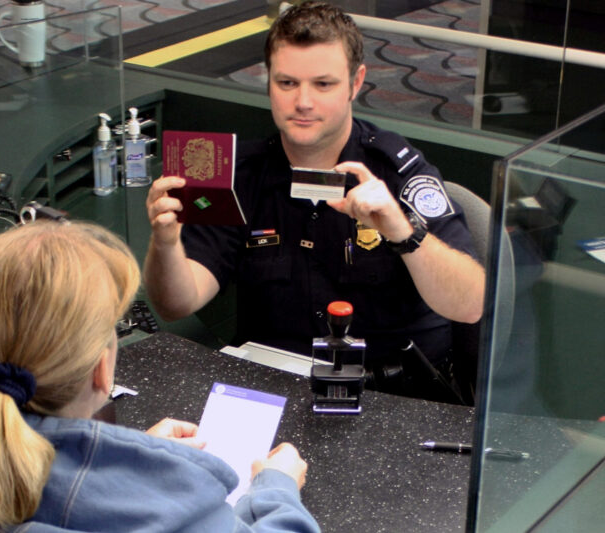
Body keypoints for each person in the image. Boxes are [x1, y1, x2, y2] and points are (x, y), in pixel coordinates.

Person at [0, 221, 319, 532]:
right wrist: (276, 489)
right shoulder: (177, 506)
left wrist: (130, 459)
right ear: (103, 370)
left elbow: (40, 479)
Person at [144, 1, 485, 402]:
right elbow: (176, 304)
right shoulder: (241, 175)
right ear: (268, 81)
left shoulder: (397, 171)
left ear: (356, 83)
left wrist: (403, 232)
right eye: (287, 83)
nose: (303, 102)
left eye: (323, 85)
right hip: (273, 391)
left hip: (393, 398)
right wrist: (165, 244)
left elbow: (470, 305)